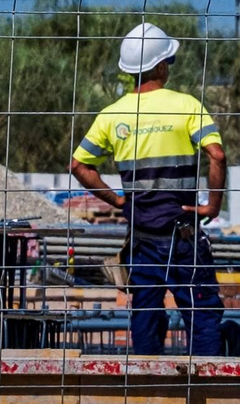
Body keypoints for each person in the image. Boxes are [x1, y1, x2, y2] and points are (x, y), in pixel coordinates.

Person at [70, 23, 226, 356]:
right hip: (183, 236)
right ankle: (210, 392)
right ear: (158, 66)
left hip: (141, 240)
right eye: (168, 60)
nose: (169, 66)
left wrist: (118, 199)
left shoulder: (111, 116)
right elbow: (217, 154)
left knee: (145, 317)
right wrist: (212, 206)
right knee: (203, 316)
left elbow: (79, 166)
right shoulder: (187, 106)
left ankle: (147, 394)